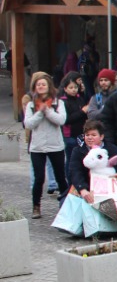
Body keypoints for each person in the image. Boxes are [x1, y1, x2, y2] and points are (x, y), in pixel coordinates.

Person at [24, 72, 68, 217]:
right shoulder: (31, 105)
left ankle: (66, 204)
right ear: (35, 87)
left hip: (55, 145)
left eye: (44, 84)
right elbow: (28, 123)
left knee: (60, 176)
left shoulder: (58, 103)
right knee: (39, 178)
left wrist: (47, 111)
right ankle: (36, 206)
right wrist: (39, 113)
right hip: (37, 146)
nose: (41, 86)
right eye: (38, 84)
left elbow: (61, 120)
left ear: (49, 86)